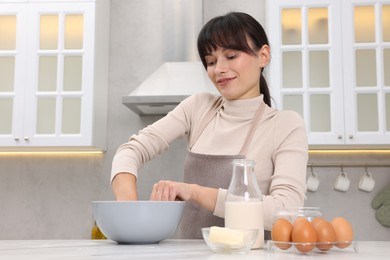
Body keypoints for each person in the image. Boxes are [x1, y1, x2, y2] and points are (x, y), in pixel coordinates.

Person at [111, 12, 308, 239]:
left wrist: (195, 191)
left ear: (263, 56)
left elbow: (287, 212)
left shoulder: (284, 125)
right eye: (211, 61)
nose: (219, 69)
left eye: (231, 56)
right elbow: (130, 150)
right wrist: (128, 206)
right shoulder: (198, 107)